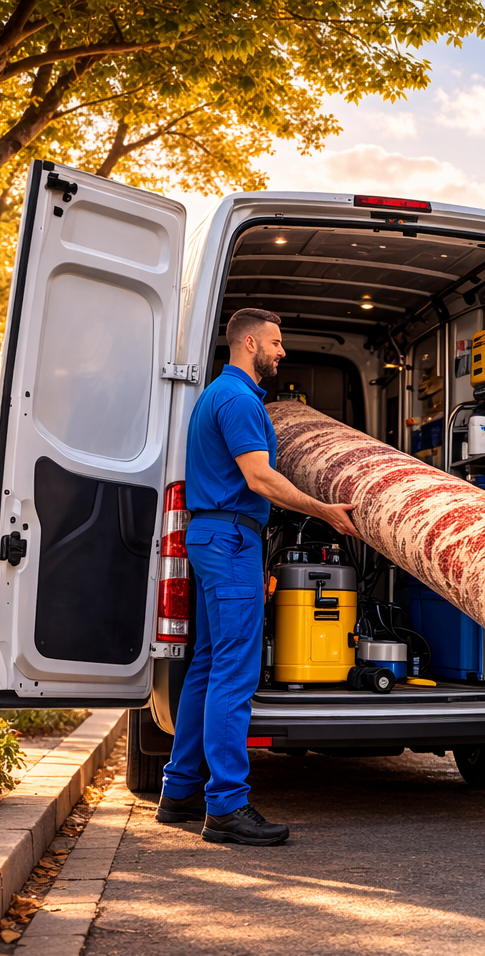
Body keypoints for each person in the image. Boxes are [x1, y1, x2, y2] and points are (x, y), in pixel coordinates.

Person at [158, 308, 356, 846]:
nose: (282, 351)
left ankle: (179, 791)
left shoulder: (218, 395)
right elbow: (260, 476)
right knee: (234, 672)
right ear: (249, 342)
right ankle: (225, 807)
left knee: (205, 665)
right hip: (229, 541)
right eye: (276, 342)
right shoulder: (241, 399)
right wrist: (325, 511)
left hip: (215, 538)